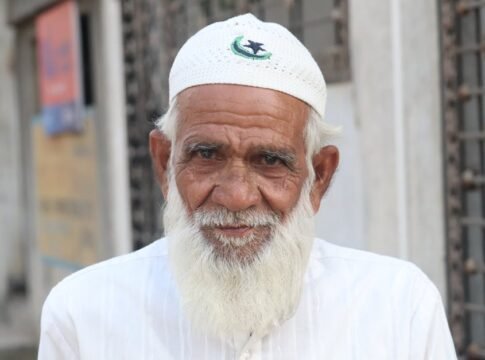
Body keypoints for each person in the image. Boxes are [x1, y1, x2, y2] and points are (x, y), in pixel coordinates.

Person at [38, 13, 456, 359]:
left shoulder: (400, 308)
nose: (237, 196)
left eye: (271, 161)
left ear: (319, 177)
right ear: (165, 164)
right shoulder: (83, 314)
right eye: (206, 155)